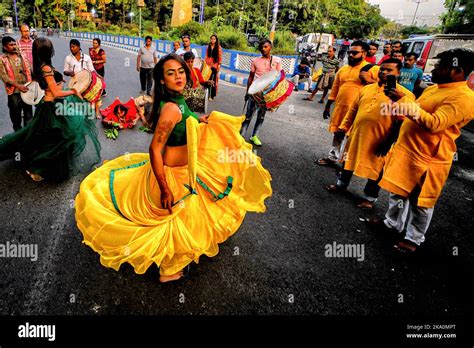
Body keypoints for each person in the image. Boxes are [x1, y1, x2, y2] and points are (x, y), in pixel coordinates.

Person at [74, 53, 272, 283]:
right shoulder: (171, 108)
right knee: (177, 225)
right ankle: (169, 271)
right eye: (171, 73)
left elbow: (178, 122)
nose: (178, 76)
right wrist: (165, 188)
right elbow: (155, 149)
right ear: (161, 80)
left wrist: (198, 120)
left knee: (186, 220)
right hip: (171, 175)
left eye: (180, 71)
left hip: (183, 169)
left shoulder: (174, 101)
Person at [366, 48, 474, 253]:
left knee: (420, 200)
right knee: (398, 191)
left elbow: (434, 123)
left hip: (429, 157)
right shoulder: (434, 89)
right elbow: (415, 112)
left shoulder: (465, 98)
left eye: (440, 67)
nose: (432, 71)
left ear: (457, 70)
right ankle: (392, 223)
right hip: (407, 150)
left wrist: (403, 100)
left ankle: (414, 238)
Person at [0, 38, 101, 182]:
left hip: (48, 105)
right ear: (46, 51)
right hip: (51, 107)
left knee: (47, 137)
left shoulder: (40, 65)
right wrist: (73, 91)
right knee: (65, 135)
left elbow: (49, 84)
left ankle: (39, 163)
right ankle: (35, 167)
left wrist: (58, 81)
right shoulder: (46, 68)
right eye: (50, 47)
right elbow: (56, 93)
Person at [324, 58, 414, 210]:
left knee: (376, 168)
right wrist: (343, 127)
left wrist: (388, 141)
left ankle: (370, 198)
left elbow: (402, 121)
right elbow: (353, 110)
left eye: (389, 70)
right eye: (382, 69)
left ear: (398, 73)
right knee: (348, 160)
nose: (384, 72)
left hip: (381, 139)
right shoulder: (366, 88)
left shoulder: (404, 95)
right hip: (357, 134)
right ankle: (341, 185)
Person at [316, 40, 379, 166]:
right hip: (341, 108)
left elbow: (382, 89)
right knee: (338, 133)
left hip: (359, 111)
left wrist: (370, 80)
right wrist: (328, 106)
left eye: (354, 53)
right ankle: (333, 157)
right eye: (350, 52)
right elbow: (334, 89)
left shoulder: (373, 69)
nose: (350, 55)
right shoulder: (343, 69)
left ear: (364, 53)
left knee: (352, 138)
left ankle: (347, 163)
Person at [241, 39, 282, 146]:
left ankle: (254, 136)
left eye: (266, 47)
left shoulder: (277, 60)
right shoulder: (255, 60)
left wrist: (276, 95)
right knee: (248, 115)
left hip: (267, 93)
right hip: (255, 92)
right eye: (262, 47)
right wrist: (248, 91)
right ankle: (241, 136)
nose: (263, 49)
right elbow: (250, 77)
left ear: (270, 47)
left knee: (261, 116)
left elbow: (279, 77)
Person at [0, 36, 33, 131]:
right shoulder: (2, 59)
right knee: (16, 116)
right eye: (11, 45)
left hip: (27, 89)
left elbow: (30, 69)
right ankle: (18, 137)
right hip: (14, 92)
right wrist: (18, 86)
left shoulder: (22, 55)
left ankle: (27, 136)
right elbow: (4, 77)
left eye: (14, 44)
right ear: (5, 47)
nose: (14, 46)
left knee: (28, 115)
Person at [204, 34, 222, 100]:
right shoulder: (208, 46)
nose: (212, 40)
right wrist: (205, 63)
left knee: (213, 79)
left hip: (215, 65)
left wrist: (219, 65)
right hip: (208, 64)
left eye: (214, 39)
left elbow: (220, 57)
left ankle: (211, 95)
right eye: (211, 39)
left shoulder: (218, 47)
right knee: (207, 78)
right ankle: (207, 94)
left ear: (216, 40)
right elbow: (206, 56)